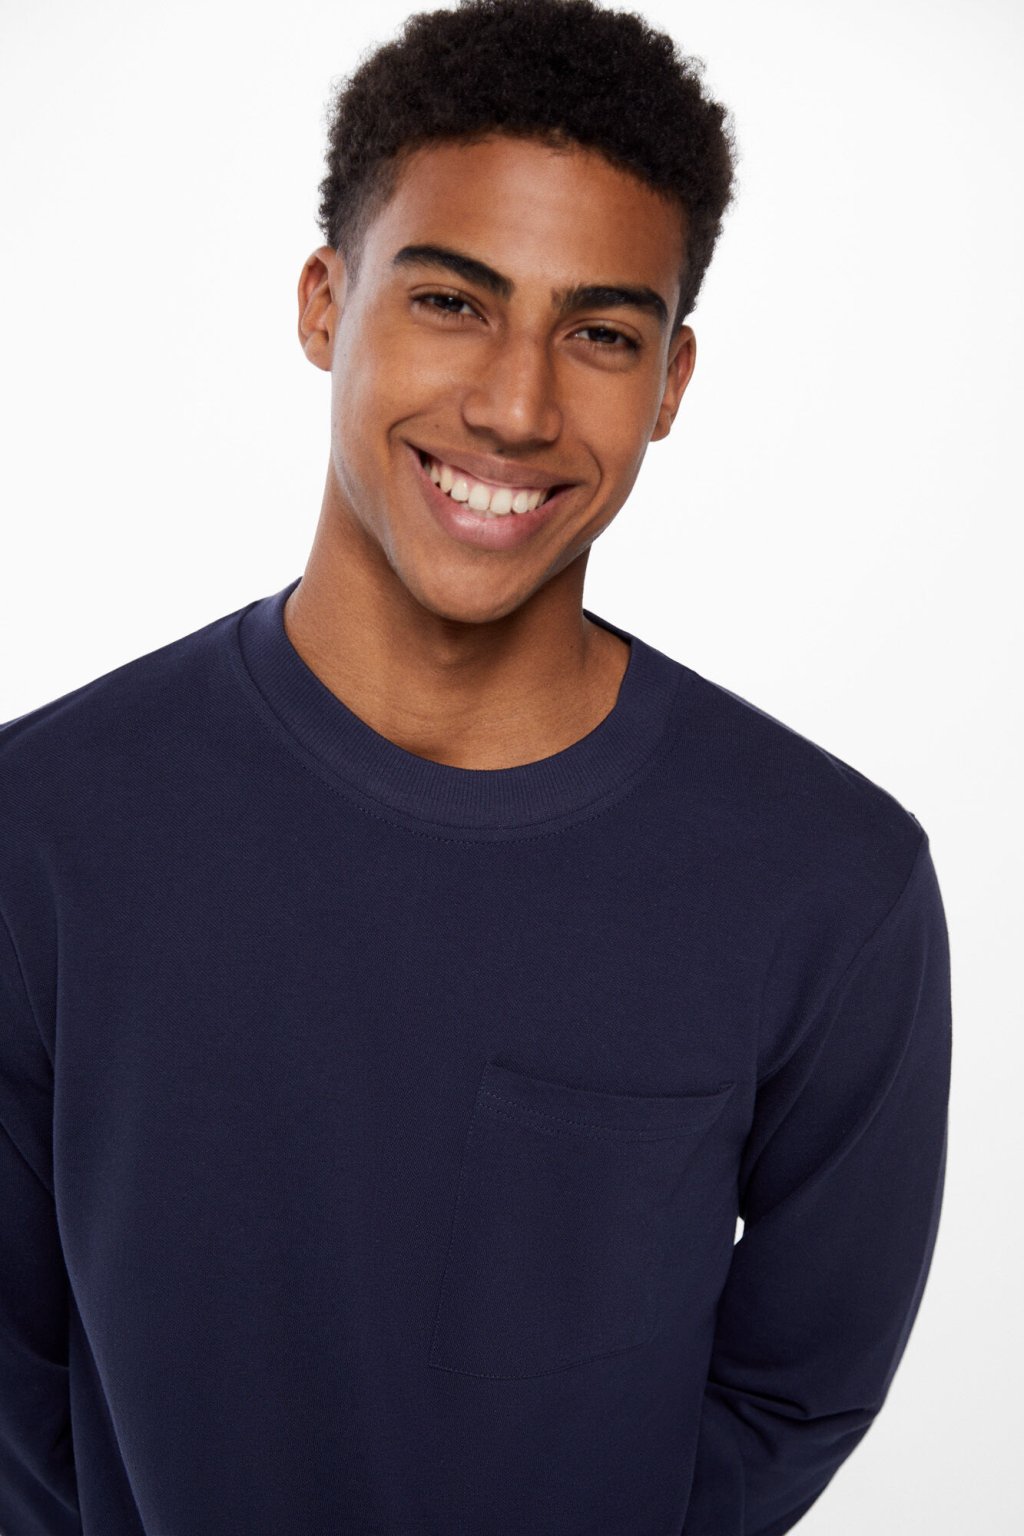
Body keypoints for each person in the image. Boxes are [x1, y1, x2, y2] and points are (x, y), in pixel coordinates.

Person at [0, 0, 952, 1531]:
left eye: (601, 334)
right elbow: (18, 1393)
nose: (516, 407)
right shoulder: (43, 829)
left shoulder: (831, 886)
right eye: (452, 301)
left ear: (672, 382)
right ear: (326, 303)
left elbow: (795, 1390)